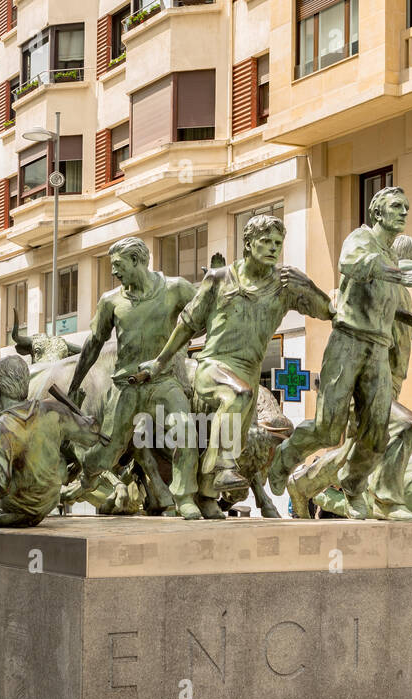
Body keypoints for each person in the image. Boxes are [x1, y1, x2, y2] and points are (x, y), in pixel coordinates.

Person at [269, 187, 412, 501]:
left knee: (379, 431)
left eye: (406, 207)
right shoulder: (361, 239)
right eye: (396, 206)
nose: (404, 212)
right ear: (378, 213)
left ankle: (353, 484)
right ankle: (285, 458)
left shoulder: (392, 255)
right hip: (349, 340)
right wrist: (399, 276)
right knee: (328, 429)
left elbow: (388, 307)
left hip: (378, 348)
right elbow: (350, 264)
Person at [138, 214, 332, 518]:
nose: (272, 248)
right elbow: (187, 324)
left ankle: (206, 496)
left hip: (249, 377)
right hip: (213, 368)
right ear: (248, 244)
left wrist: (308, 285)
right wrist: (160, 362)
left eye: (277, 243)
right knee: (237, 398)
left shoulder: (284, 286)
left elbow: (328, 311)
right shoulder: (219, 279)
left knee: (236, 423)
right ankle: (223, 466)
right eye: (265, 242)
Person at [68, 237, 202, 518]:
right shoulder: (110, 301)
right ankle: (86, 477)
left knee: (186, 431)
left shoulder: (176, 289)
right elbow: (92, 345)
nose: (114, 273)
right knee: (107, 453)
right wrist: (73, 385)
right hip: (125, 387)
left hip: (163, 381)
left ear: (137, 261)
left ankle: (185, 496)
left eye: (118, 266)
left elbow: (203, 319)